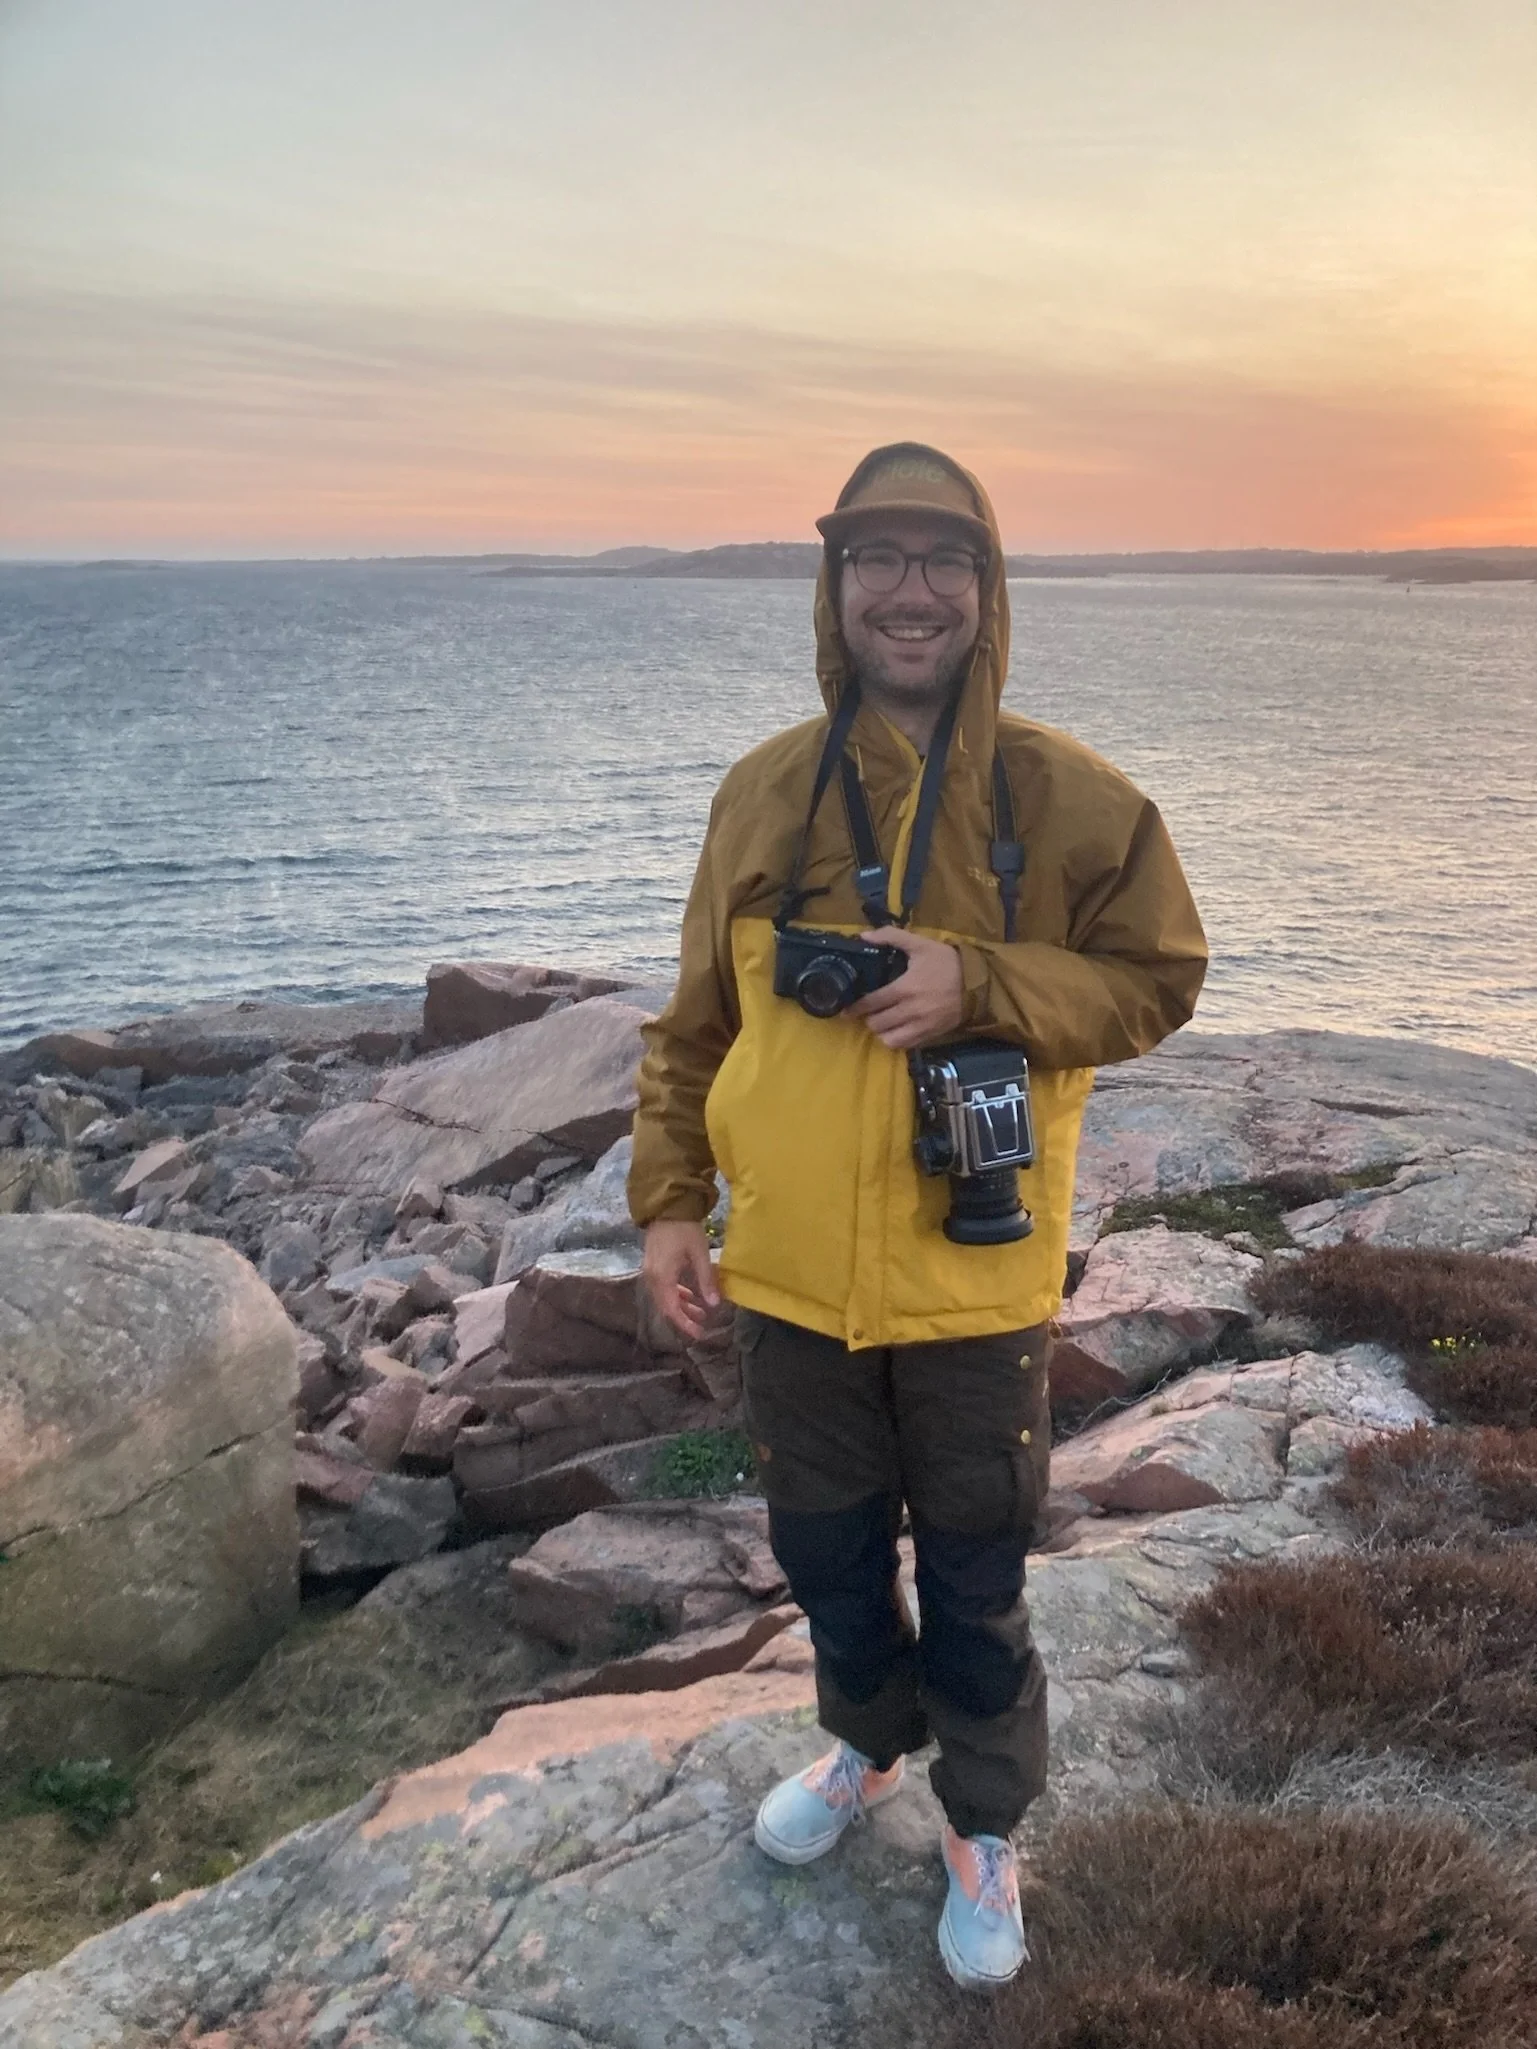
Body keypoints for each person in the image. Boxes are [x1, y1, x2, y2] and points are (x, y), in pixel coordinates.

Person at [628, 442, 1207, 1991]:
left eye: (941, 560)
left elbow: (1163, 980)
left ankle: (983, 1826)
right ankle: (866, 1748)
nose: (909, 590)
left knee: (974, 1568)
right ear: (832, 591)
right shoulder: (762, 791)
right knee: (822, 1553)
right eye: (874, 558)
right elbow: (696, 1026)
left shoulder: (1072, 799)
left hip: (977, 1280)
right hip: (794, 1278)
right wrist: (670, 1202)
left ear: (986, 588)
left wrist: (982, 979)